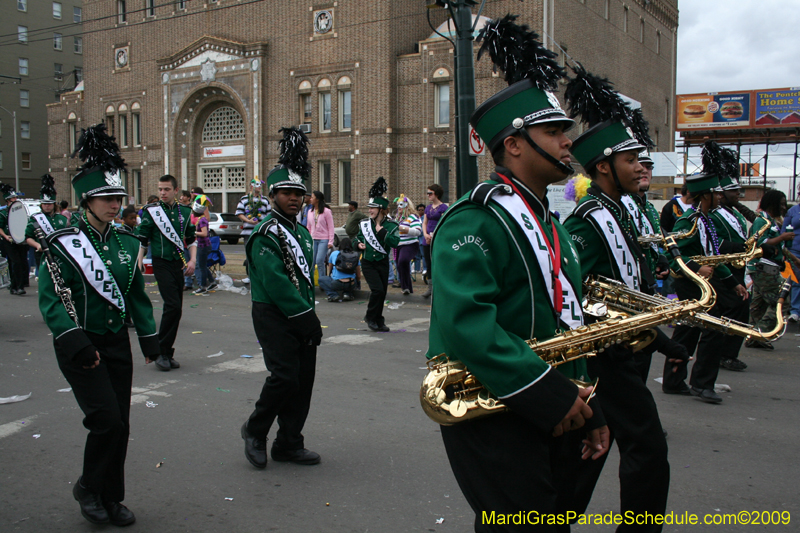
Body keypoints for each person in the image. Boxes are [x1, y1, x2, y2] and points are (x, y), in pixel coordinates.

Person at [427, 18, 609, 532]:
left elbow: (567, 322)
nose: (568, 144)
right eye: (554, 133)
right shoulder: (474, 219)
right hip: (499, 406)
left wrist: (589, 405)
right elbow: (468, 326)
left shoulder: (552, 224)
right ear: (513, 144)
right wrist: (552, 395)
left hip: (556, 400)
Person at [563, 64, 679, 531]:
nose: (642, 168)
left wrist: (656, 334)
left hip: (630, 346)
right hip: (604, 355)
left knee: (596, 448)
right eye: (633, 160)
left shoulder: (623, 214)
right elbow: (577, 297)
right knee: (644, 447)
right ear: (604, 167)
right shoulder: (587, 221)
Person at [39, 123, 159, 526]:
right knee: (105, 420)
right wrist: (74, 340)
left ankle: (110, 496)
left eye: (117, 197)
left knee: (120, 424)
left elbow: (136, 295)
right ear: (87, 201)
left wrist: (150, 338)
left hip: (113, 341)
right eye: (106, 198)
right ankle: (88, 488)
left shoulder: (127, 242)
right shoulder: (64, 241)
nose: (114, 204)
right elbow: (51, 298)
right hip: (80, 342)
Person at [241, 126, 322, 469]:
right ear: (273, 195)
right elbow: (275, 282)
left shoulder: (301, 232)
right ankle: (255, 430)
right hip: (274, 313)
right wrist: (305, 316)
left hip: (301, 312)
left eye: (298, 193)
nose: (293, 198)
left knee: (302, 383)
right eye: (286, 192)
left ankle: (289, 442)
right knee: (284, 377)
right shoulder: (265, 233)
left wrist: (306, 313)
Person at [660, 169, 748, 403]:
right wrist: (697, 269)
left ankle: (673, 381)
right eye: (715, 193)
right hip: (691, 284)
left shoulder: (705, 221)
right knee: (714, 329)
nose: (720, 197)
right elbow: (672, 255)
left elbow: (713, 257)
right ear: (705, 196)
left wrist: (733, 283)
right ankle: (702, 384)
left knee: (687, 332)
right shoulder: (687, 221)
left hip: (702, 284)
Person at [136, 175, 197, 371]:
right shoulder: (152, 212)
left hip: (177, 264)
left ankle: (167, 352)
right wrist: (139, 260)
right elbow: (143, 239)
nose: (162, 193)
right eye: (160, 189)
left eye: (167, 189)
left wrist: (193, 260)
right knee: (171, 305)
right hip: (161, 262)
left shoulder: (186, 212)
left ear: (175, 190)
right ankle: (160, 351)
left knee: (176, 309)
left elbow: (191, 239)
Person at [708, 144, 752, 369]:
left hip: (738, 269)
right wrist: (741, 247)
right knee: (730, 311)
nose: (738, 194)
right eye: (733, 191)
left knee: (741, 309)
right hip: (723, 271)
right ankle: (724, 354)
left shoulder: (734, 213)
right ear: (721, 194)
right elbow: (715, 244)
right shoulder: (713, 215)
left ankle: (730, 352)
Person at [747, 189, 797, 349]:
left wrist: (794, 259)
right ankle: (761, 332)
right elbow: (759, 243)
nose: (784, 208)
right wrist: (781, 237)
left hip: (769, 267)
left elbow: (780, 246)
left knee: (758, 306)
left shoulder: (773, 221)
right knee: (781, 302)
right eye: (781, 204)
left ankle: (752, 336)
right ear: (772, 204)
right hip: (763, 267)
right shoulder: (762, 221)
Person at [354, 177, 399, 332]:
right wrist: (358, 244)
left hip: (382, 261)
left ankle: (379, 320)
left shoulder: (391, 226)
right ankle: (370, 317)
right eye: (369, 208)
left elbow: (395, 242)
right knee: (377, 290)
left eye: (373, 208)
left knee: (382, 293)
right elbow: (357, 238)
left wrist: (382, 232)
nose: (369, 210)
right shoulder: (364, 224)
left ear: (381, 209)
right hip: (368, 262)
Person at [25, 174, 69, 275]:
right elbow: (28, 237)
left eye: (49, 204)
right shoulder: (35, 218)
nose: (47, 206)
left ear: (54, 204)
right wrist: (37, 245)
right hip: (42, 253)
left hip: (59, 252)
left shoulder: (62, 219)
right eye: (45, 204)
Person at [235, 178, 271, 284]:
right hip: (248, 233)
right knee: (250, 255)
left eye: (260, 185)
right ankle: (251, 276)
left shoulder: (264, 200)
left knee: (260, 255)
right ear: (251, 186)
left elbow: (269, 215)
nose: (259, 187)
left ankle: (261, 277)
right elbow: (239, 213)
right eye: (257, 185)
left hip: (260, 232)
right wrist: (248, 221)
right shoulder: (244, 199)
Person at [0, 182, 30, 295]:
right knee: (15, 262)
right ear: (7, 200)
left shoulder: (20, 211)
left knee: (22, 262)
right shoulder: (3, 213)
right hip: (9, 240)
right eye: (13, 198)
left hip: (20, 240)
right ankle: (18, 286)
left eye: (16, 197)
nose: (15, 199)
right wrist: (5, 236)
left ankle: (15, 286)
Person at [421, 183, 448, 298]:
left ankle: (440, 287)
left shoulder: (443, 208)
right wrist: (425, 234)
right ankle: (430, 288)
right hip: (427, 238)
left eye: (430, 193)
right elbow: (424, 222)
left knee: (438, 263)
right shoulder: (428, 208)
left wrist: (433, 236)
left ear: (436, 194)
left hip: (437, 238)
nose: (428, 195)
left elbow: (443, 223)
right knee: (428, 263)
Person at [393, 195, 422, 294]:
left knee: (403, 261)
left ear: (407, 206)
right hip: (399, 245)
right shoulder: (398, 218)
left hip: (410, 244)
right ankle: (406, 288)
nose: (399, 207)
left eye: (401, 205)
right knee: (400, 265)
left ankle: (406, 287)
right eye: (398, 205)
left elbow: (418, 231)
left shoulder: (412, 217)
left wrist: (403, 228)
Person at [307, 191, 335, 286]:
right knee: (312, 261)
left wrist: (330, 241)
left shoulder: (326, 211)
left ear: (317, 199)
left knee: (319, 260)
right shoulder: (310, 212)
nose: (310, 199)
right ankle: (310, 281)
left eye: (312, 197)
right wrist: (308, 238)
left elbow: (331, 227)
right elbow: (308, 227)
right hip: (313, 239)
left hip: (324, 239)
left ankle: (322, 282)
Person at [781, 186, 800, 323]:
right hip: (794, 250)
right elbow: (783, 232)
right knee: (796, 280)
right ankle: (795, 310)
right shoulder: (792, 211)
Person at [319, 237, 358, 302]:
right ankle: (347, 294)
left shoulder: (334, 253)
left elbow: (330, 268)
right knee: (354, 279)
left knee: (321, 279)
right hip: (351, 283)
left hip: (337, 283)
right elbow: (359, 275)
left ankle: (333, 295)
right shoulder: (354, 255)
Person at [191, 195, 217, 294]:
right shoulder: (200, 219)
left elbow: (204, 233)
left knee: (201, 266)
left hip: (203, 246)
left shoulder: (202, 220)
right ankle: (212, 281)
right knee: (203, 265)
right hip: (203, 245)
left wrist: (194, 233)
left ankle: (203, 286)